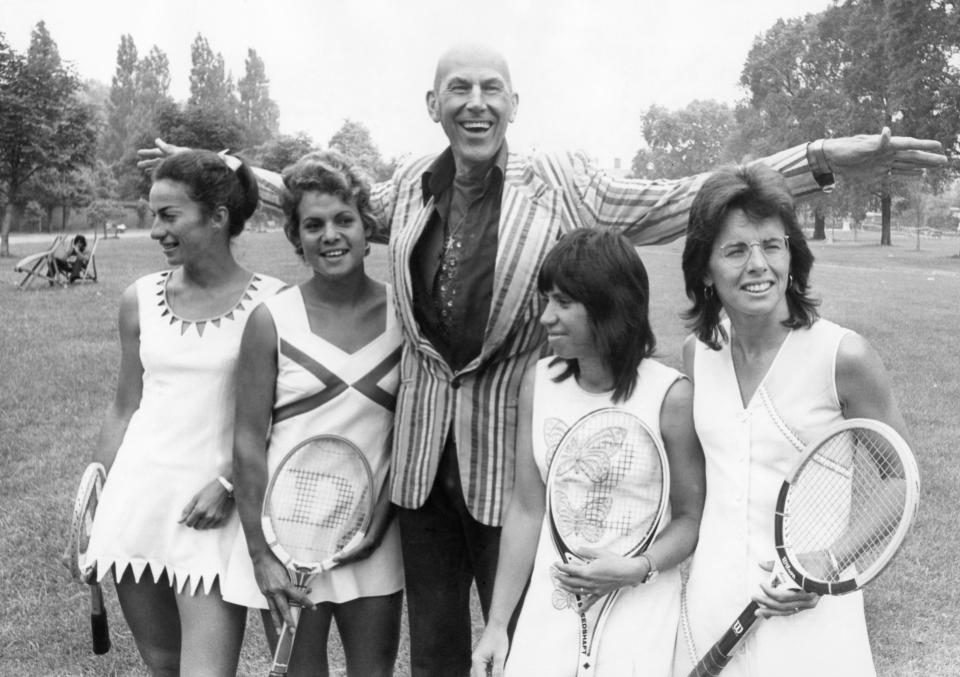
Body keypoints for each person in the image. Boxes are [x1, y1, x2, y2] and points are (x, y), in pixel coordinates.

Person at [138, 42, 945, 676]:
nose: (476, 102)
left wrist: (822, 160)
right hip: (421, 469)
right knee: (441, 658)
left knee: (525, 645)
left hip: (514, 461)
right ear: (434, 104)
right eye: (459, 88)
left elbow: (682, 196)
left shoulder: (562, 182)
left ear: (514, 103)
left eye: (492, 88)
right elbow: (327, 198)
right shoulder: (414, 183)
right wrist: (227, 174)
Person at [672, 163, 911, 677]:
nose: (758, 264)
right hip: (712, 610)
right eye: (736, 250)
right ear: (705, 267)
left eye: (771, 245)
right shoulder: (697, 354)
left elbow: (900, 479)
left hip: (811, 620)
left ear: (792, 254)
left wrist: (828, 560)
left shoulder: (843, 356)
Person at [84, 150, 285, 677]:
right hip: (136, 506)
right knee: (164, 666)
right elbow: (125, 406)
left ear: (218, 216)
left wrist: (231, 483)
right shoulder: (138, 299)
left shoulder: (276, 302)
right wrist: (92, 501)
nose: (154, 230)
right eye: (153, 215)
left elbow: (284, 419)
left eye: (169, 216)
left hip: (213, 516)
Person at [470, 229, 705, 677]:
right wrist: (498, 625)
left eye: (562, 302)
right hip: (551, 613)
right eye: (546, 300)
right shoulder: (537, 382)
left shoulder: (670, 396)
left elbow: (690, 518)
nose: (545, 317)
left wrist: (638, 567)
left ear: (609, 304)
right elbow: (525, 509)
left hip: (640, 614)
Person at [221, 151, 403, 677]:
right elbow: (249, 443)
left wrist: (381, 520)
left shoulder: (404, 317)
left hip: (372, 537)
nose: (330, 235)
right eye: (313, 224)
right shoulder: (270, 320)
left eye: (344, 220)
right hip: (287, 536)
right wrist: (262, 553)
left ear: (367, 228)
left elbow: (412, 436)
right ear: (296, 238)